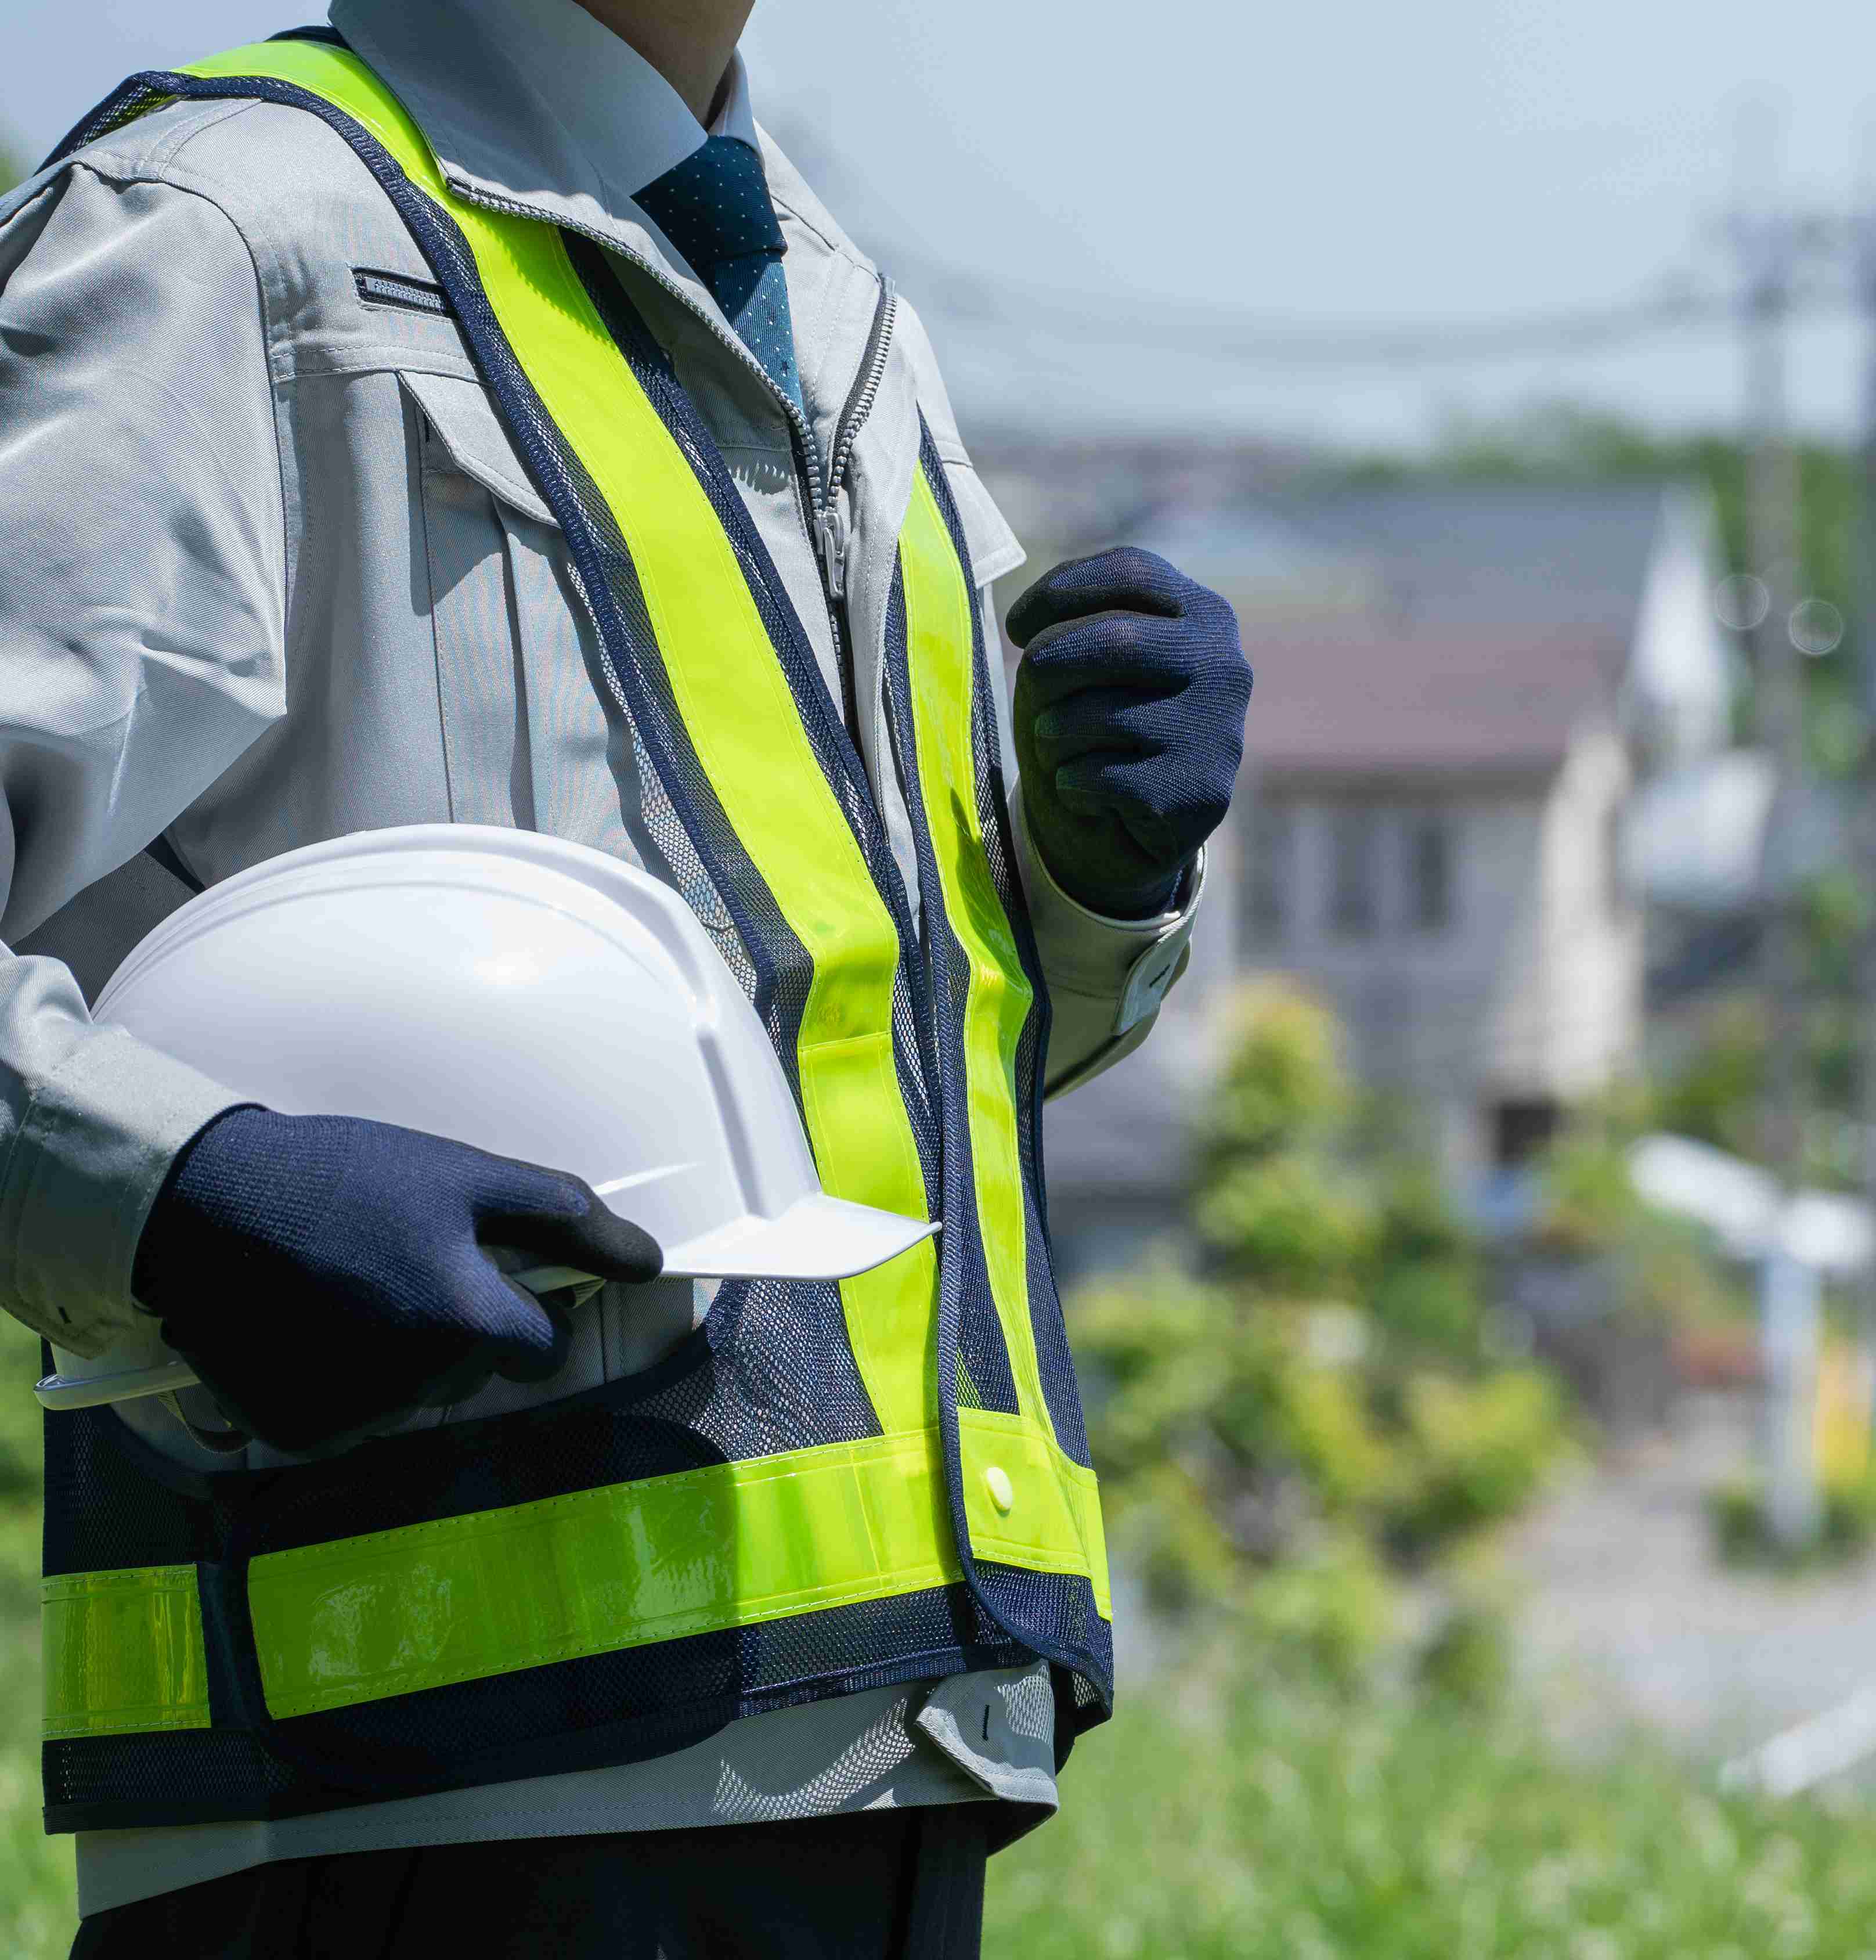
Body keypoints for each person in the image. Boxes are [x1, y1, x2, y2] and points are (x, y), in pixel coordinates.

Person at [0, 1, 1253, 1951]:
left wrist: (1093, 885)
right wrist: (176, 1195)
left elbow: (879, 1045)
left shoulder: (830, 306)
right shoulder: (225, 236)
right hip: (401, 1818)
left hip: (876, 1754)